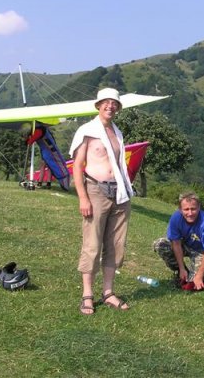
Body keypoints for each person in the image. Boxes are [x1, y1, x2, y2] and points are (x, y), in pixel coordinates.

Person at [69, 88, 134, 315]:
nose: (110, 106)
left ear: (118, 107)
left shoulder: (117, 133)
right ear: (98, 105)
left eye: (114, 103)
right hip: (95, 190)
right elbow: (77, 166)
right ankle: (87, 295)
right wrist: (83, 197)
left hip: (120, 193)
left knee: (116, 245)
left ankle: (108, 292)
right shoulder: (87, 131)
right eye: (106, 102)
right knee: (92, 244)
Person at [153, 191, 204, 290]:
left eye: (193, 209)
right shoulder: (176, 218)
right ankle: (182, 273)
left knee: (196, 284)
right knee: (160, 244)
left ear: (199, 207)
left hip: (201, 252)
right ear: (180, 210)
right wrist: (181, 268)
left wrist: (199, 276)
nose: (190, 213)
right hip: (184, 245)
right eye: (186, 209)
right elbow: (176, 243)